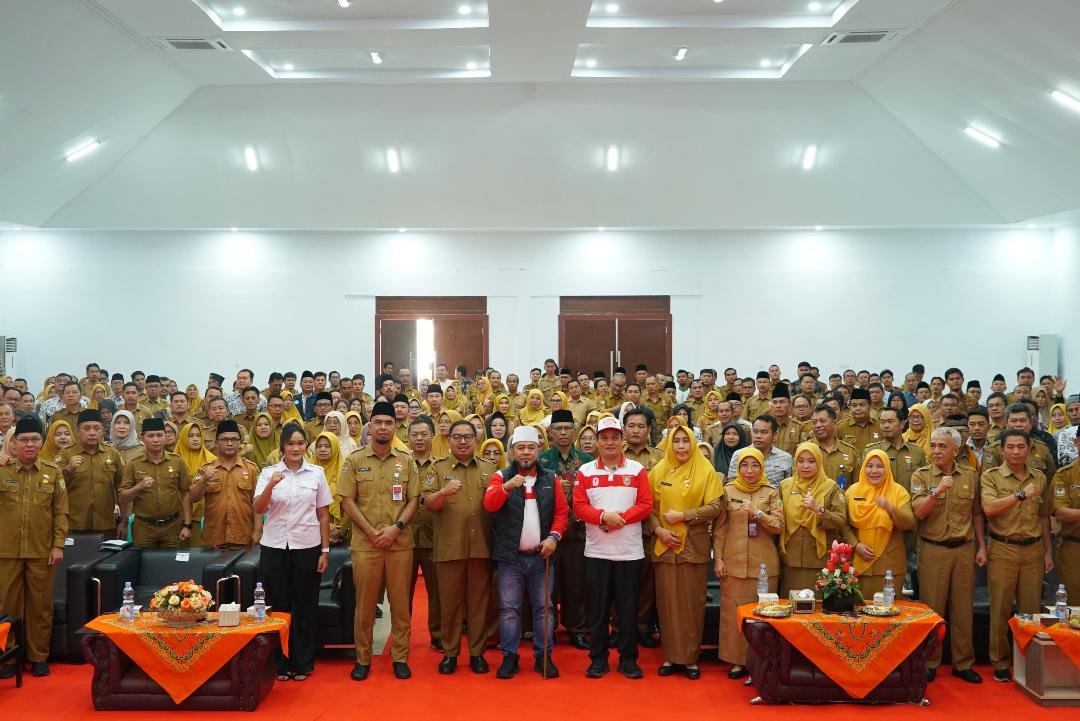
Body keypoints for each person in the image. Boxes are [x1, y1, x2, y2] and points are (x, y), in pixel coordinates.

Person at [338, 402, 420, 681]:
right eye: (378, 423)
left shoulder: (406, 460)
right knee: (365, 605)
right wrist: (372, 531)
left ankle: (400, 657)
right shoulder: (355, 460)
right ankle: (362, 658)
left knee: (400, 604)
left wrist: (395, 528)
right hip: (365, 544)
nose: (383, 427)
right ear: (369, 427)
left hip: (399, 542)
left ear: (395, 427)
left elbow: (413, 500)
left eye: (388, 423)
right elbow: (347, 501)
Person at [483, 425, 568, 679]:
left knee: (545, 609)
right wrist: (507, 487)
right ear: (512, 451)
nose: (526, 453)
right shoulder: (500, 476)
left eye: (531, 448)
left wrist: (554, 537)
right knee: (509, 609)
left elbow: (562, 513)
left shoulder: (550, 477)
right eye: (521, 448)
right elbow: (489, 505)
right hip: (511, 558)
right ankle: (510, 656)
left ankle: (544, 656)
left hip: (542, 557)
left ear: (539, 449)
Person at [572, 416, 654, 680]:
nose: (609, 442)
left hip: (630, 553)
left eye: (614, 437)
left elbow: (646, 504)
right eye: (604, 437)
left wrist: (619, 520)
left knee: (628, 610)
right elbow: (579, 506)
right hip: (597, 553)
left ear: (622, 440)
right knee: (597, 610)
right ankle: (597, 659)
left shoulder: (636, 470)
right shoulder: (585, 471)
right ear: (596, 441)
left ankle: (628, 659)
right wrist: (602, 517)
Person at [254, 423, 332, 682]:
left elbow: (323, 514)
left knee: (304, 604)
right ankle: (279, 662)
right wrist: (270, 486)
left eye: (300, 443)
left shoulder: (316, 474)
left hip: (307, 547)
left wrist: (325, 550)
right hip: (275, 546)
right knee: (277, 605)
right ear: (283, 447)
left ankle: (302, 662)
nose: (296, 448)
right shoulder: (268, 473)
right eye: (291, 444)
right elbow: (258, 508)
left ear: (305, 446)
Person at [648, 421, 724, 679]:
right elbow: (649, 508)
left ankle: (691, 659)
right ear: (669, 444)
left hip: (693, 545)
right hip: (664, 546)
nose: (681, 446)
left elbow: (716, 507)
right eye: (676, 441)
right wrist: (658, 530)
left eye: (685, 441)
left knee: (692, 604)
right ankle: (670, 656)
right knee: (667, 604)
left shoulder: (706, 471)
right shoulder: (658, 471)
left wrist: (684, 515)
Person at [910, 426, 985, 683]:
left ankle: (963, 663)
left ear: (956, 450)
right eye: (933, 446)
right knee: (933, 608)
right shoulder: (921, 475)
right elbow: (919, 512)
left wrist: (982, 546)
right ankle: (930, 662)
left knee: (963, 609)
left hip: (964, 549)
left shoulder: (971, 475)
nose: (936, 451)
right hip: (933, 549)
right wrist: (937, 491)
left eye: (942, 446)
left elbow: (976, 513)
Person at [980, 429, 1054, 682]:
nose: (1015, 451)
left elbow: (1044, 517)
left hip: (1034, 550)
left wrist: (1047, 551)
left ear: (1029, 449)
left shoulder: (1040, 478)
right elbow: (989, 508)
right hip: (1003, 548)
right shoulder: (991, 477)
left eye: (1020, 447)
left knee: (1030, 610)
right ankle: (1000, 661)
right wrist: (1020, 495)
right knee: (1000, 609)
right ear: (1001, 450)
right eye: (1010, 447)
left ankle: (1027, 659)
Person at [424, 419, 496, 675]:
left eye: (468, 436)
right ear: (449, 440)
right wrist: (443, 492)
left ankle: (477, 653)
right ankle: (450, 653)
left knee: (479, 605)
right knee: (450, 605)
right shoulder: (438, 468)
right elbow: (428, 504)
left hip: (481, 547)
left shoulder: (489, 469)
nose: (463, 441)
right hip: (449, 548)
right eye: (458, 437)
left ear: (475, 439)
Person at [0, 416, 68, 679]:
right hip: (6, 551)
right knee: (6, 606)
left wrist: (58, 545)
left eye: (34, 440)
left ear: (42, 443)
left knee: (40, 606)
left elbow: (61, 513)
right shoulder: (3, 470)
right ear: (14, 443)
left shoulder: (53, 472)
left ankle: (39, 656)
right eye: (23, 440)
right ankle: (8, 656)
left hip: (42, 551)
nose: (29, 444)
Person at [713, 447, 782, 680]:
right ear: (738, 467)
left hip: (764, 566)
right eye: (745, 465)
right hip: (733, 563)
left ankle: (759, 662)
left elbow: (779, 526)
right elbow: (720, 529)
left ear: (762, 468)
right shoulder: (728, 490)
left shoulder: (771, 492)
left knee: (760, 616)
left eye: (755, 465)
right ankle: (737, 661)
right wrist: (719, 559)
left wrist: (758, 514)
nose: (750, 470)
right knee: (734, 615)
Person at [537, 409, 592, 650]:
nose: (562, 433)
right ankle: (548, 628)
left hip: (579, 532)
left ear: (574, 431)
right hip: (549, 533)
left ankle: (577, 629)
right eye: (557, 429)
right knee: (549, 584)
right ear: (550, 432)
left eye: (567, 428)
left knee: (576, 584)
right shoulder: (541, 461)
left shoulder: (588, 461)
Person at [778, 442, 855, 595]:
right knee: (791, 607)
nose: (805, 466)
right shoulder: (785, 486)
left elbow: (841, 521)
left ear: (819, 462)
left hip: (820, 560)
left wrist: (819, 509)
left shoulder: (831, 487)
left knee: (817, 608)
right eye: (801, 461)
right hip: (790, 559)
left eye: (811, 461)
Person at [845, 449, 914, 598]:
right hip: (857, 562)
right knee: (858, 613)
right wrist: (856, 545)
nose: (874, 471)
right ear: (863, 467)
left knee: (888, 614)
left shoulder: (898, 492)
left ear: (887, 468)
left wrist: (891, 509)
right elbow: (844, 525)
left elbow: (909, 524)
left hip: (889, 567)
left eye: (879, 466)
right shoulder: (852, 492)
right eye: (869, 466)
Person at [118, 418, 192, 548]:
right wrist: (138, 487)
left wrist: (187, 525)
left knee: (172, 562)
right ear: (142, 438)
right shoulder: (134, 464)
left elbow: (186, 493)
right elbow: (123, 498)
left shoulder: (177, 461)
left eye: (160, 435)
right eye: (150, 436)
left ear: (165, 436)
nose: (156, 440)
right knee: (144, 564)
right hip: (144, 528)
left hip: (172, 526)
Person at [186, 420, 261, 549]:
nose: (230, 443)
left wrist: (258, 530)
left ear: (240, 443)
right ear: (216, 443)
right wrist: (204, 479)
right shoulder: (206, 469)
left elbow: (258, 504)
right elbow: (192, 497)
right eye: (225, 439)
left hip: (242, 537)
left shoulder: (251, 469)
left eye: (234, 439)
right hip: (214, 538)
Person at [59, 409, 125, 540]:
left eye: (97, 428)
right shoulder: (66, 454)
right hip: (73, 525)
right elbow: (54, 488)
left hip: (106, 525)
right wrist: (68, 469)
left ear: (102, 431)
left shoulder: (112, 454)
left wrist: (124, 520)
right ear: (77, 431)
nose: (92, 433)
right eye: (87, 428)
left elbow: (122, 488)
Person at [408, 417, 443, 651]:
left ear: (432, 436)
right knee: (401, 594)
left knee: (437, 592)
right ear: (408, 438)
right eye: (415, 434)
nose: (419, 439)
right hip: (404, 539)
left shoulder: (441, 465)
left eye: (424, 434)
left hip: (434, 538)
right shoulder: (401, 463)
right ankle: (402, 638)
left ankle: (438, 636)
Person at [175, 422, 216, 547]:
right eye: (191, 436)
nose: (195, 439)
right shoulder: (173, 460)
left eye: (198, 435)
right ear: (183, 438)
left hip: (204, 516)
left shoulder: (212, 460)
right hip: (176, 516)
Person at [1052, 432, 1080, 603]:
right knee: (1075, 606)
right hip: (1074, 547)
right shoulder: (1064, 475)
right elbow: (1060, 511)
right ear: (1076, 443)